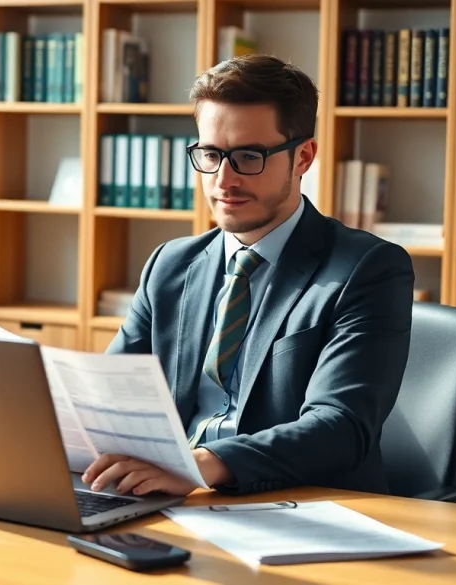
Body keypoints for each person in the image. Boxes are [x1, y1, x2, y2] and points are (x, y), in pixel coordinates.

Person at [82, 54, 415, 498]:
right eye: (210, 155)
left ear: (303, 157)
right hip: (172, 499)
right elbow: (111, 399)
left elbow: (341, 427)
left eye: (247, 156)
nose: (224, 180)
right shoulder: (170, 265)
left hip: (297, 506)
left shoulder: (367, 269)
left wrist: (202, 465)